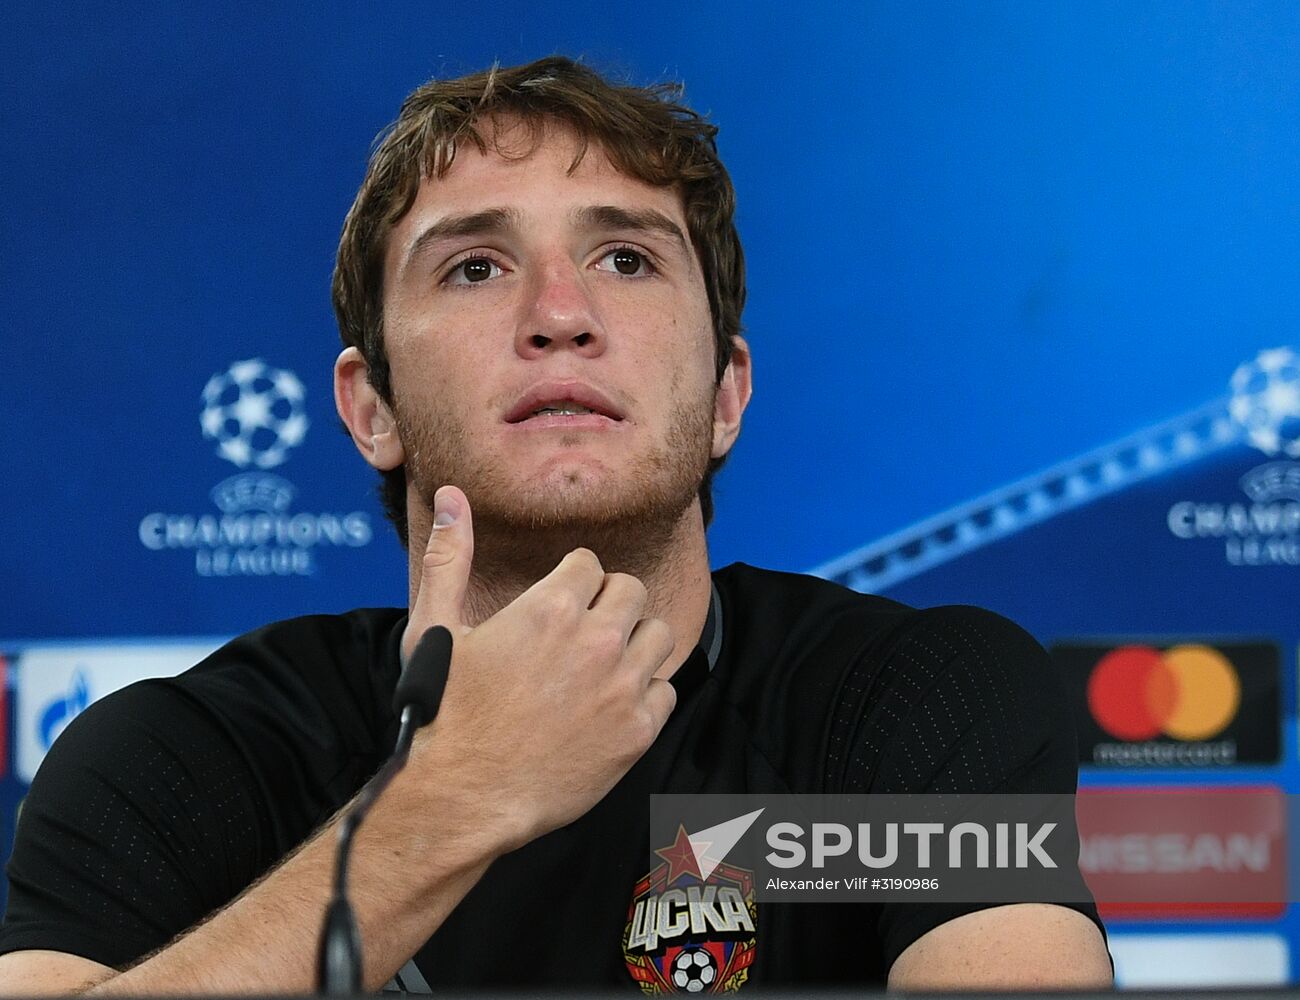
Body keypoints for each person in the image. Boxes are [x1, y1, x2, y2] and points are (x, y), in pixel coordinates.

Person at [0, 56, 1111, 993]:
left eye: (624, 258)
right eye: (476, 266)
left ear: (725, 393)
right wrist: (447, 799)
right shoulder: (187, 758)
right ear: (369, 407)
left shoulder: (910, 704)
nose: (561, 316)